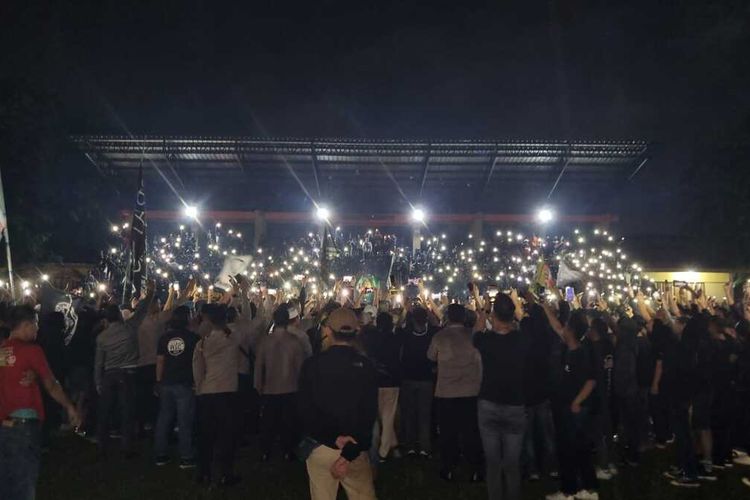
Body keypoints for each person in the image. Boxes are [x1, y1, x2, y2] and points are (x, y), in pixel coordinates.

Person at [0, 305, 80, 500]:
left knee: (6, 479)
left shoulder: (1, 349)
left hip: (3, 425)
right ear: (26, 325)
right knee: (25, 480)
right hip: (23, 425)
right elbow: (51, 385)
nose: (37, 329)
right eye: (35, 324)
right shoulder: (32, 351)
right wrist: (70, 407)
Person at [298, 307, 378, 500]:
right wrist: (348, 453)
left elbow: (305, 411)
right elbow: (368, 414)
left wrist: (332, 438)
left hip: (321, 446)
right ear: (356, 332)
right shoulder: (366, 366)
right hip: (355, 447)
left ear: (328, 331)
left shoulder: (312, 365)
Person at [473, 294, 529, 500]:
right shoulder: (523, 340)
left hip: (489, 403)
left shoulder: (485, 340)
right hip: (515, 405)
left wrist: (484, 311)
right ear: (512, 316)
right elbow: (526, 325)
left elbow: (476, 331)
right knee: (512, 464)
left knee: (493, 463)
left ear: (495, 316)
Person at [94, 281, 155, 458]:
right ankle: (126, 447)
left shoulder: (101, 337)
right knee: (127, 411)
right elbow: (142, 309)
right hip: (128, 374)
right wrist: (150, 293)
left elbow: (99, 362)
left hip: (109, 375)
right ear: (120, 316)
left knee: (105, 411)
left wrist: (98, 382)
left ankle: (101, 444)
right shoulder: (130, 327)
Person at [543, 308, 599, 500]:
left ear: (572, 331)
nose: (563, 329)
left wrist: (577, 402)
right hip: (567, 408)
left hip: (574, 410)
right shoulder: (571, 347)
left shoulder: (581, 354)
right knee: (577, 448)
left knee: (570, 449)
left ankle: (571, 490)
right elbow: (556, 326)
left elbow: (591, 381)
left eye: (566, 326)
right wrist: (543, 306)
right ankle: (587, 488)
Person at [427, 303, 483, 481]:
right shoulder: (472, 336)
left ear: (448, 317)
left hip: (446, 392)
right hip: (470, 391)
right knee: (471, 432)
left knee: (448, 433)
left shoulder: (440, 336)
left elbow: (430, 356)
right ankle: (475, 468)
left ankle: (448, 467)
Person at [192, 303, 241, 487]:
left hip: (207, 392)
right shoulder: (233, 339)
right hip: (227, 392)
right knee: (227, 436)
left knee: (206, 436)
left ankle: (203, 472)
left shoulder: (202, 343)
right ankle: (225, 473)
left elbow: (197, 370)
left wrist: (199, 388)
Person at [254, 304, 310, 461]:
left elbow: (259, 366)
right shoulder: (294, 342)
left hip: (269, 388)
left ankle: (266, 450)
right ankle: (287, 450)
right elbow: (300, 368)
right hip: (290, 387)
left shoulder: (265, 341)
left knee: (268, 422)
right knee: (289, 422)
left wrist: (258, 386)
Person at [154, 306, 199, 468]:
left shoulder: (164, 338)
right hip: (185, 384)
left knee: (164, 418)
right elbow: (197, 361)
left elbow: (160, 361)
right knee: (184, 420)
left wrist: (158, 381)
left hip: (166, 382)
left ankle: (161, 454)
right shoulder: (193, 338)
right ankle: (186, 456)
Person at [362, 311, 403, 463]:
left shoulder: (371, 339)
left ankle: (387, 448)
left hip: (375, 381)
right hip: (391, 381)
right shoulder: (395, 339)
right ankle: (385, 450)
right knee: (388, 416)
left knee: (380, 416)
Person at [398, 306, 437, 458]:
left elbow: (397, 326)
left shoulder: (406, 334)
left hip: (408, 378)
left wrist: (405, 308)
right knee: (424, 415)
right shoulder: (431, 334)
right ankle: (425, 447)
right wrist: (427, 308)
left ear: (412, 319)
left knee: (409, 413)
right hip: (426, 379)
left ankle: (410, 446)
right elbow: (435, 323)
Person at [584, 315, 617, 479]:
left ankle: (603, 466)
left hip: (598, 394)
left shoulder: (594, 349)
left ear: (594, 331)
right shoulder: (609, 344)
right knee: (608, 430)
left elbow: (593, 374)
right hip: (610, 393)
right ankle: (610, 462)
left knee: (599, 432)